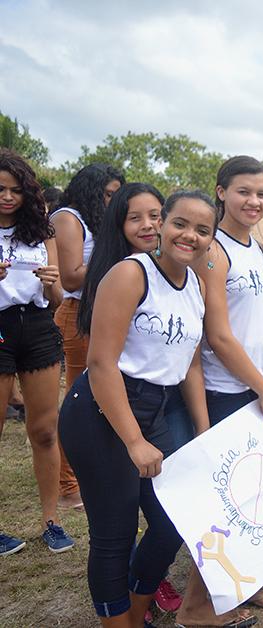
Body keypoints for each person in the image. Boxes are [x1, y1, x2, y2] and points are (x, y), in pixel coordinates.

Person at [59, 190, 217, 626]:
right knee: (115, 533)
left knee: (171, 523)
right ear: (162, 224)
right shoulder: (131, 274)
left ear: (211, 239)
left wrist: (202, 433)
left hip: (156, 410)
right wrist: (133, 440)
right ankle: (119, 622)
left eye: (203, 230)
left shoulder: (196, 287)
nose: (190, 236)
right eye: (181, 223)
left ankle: (136, 611)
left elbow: (191, 367)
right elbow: (100, 363)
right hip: (101, 410)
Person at [171, 156, 263, 626]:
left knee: (253, 496)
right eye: (243, 191)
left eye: (262, 194)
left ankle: (242, 583)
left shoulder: (254, 246)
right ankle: (198, 610)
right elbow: (218, 336)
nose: (254, 201)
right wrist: (261, 384)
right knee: (226, 503)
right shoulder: (213, 251)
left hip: (256, 386)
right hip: (227, 392)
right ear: (221, 192)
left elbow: (259, 319)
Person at [0, 149, 73, 557]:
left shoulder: (42, 231)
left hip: (39, 326)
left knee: (45, 430)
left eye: (15, 190)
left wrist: (50, 283)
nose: (7, 197)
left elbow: (58, 297)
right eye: (0, 190)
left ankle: (52, 522)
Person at [51, 162, 125, 510]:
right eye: (108, 194)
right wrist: (117, 258)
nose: (112, 201)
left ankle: (96, 472)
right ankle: (68, 484)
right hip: (79, 313)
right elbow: (71, 277)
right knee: (80, 400)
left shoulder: (99, 220)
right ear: (91, 190)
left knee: (105, 397)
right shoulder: (69, 217)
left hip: (105, 314)